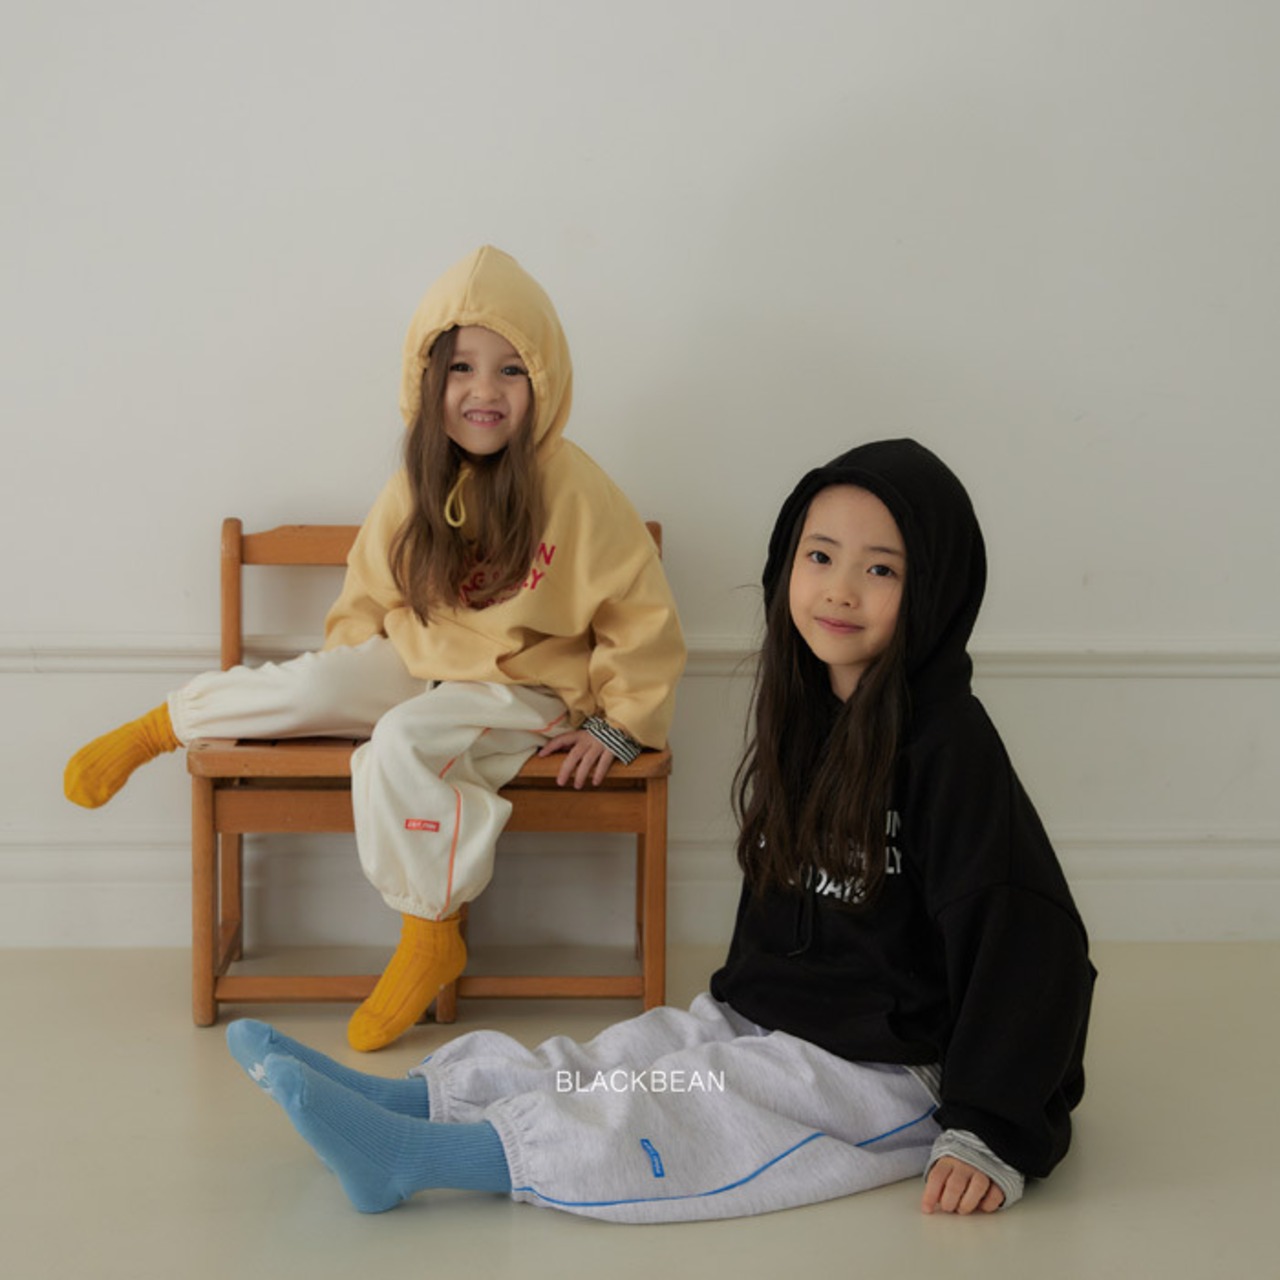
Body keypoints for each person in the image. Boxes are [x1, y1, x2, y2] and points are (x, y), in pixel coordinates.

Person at [222, 438, 1094, 1222]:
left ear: (933, 589)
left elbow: (1032, 938)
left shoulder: (952, 749)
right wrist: (735, 1012)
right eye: (821, 556)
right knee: (627, 1056)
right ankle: (414, 1101)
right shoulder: (809, 713)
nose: (839, 588)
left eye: (881, 570)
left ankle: (418, 1160)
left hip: (894, 1066)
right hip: (776, 1019)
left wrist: (990, 1126)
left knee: (683, 1102)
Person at [64, 245, 686, 1052]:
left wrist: (620, 722)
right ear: (429, 381)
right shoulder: (414, 484)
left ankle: (430, 934)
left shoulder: (578, 489)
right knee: (312, 686)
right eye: (461, 368)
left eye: (511, 370)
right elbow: (367, 590)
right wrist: (344, 681)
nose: (484, 391)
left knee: (400, 743)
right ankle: (163, 726)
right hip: (418, 657)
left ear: (545, 382)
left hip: (522, 686)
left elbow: (641, 611)